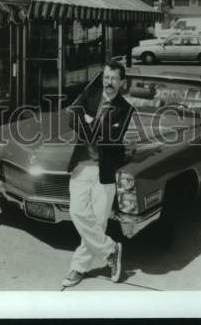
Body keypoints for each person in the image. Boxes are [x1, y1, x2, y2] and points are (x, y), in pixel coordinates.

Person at [61, 60, 135, 289]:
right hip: (82, 165)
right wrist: (90, 125)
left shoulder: (125, 109)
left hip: (105, 170)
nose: (108, 82)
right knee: (77, 212)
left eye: (113, 79)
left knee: (98, 222)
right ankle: (110, 249)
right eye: (106, 77)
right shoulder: (90, 95)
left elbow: (112, 139)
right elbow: (72, 117)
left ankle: (78, 268)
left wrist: (89, 122)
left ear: (122, 82)